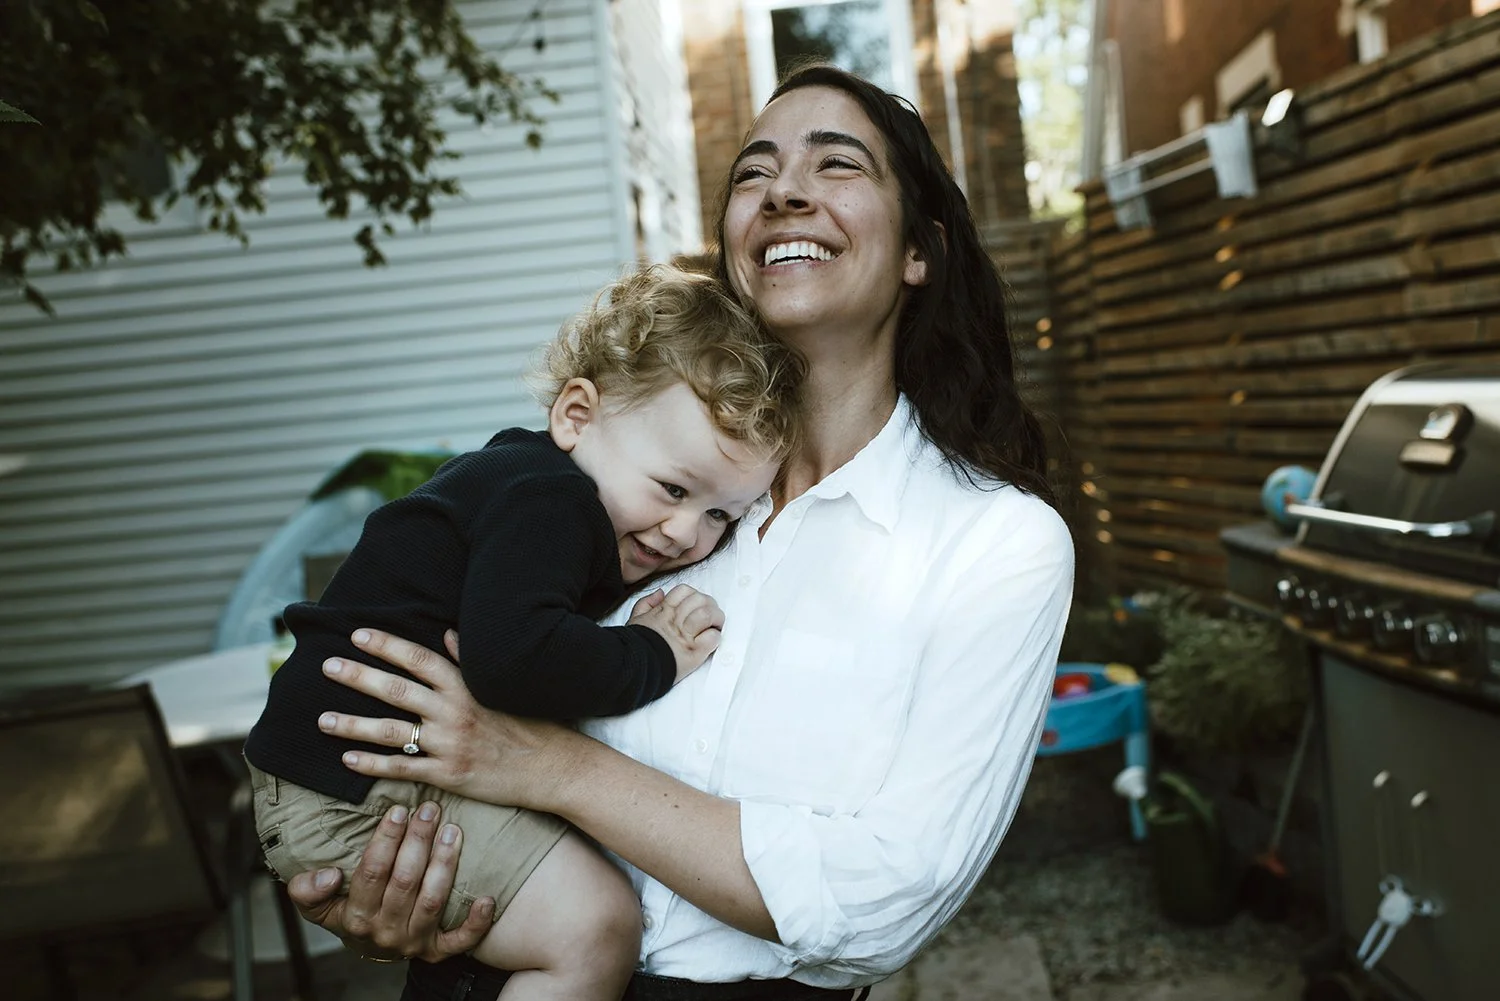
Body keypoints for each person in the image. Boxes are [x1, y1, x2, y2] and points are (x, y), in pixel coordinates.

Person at [287, 65, 1075, 1001]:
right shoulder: (619, 488)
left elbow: (884, 902)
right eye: (754, 173)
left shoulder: (993, 544)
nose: (784, 191)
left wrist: (543, 765)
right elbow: (457, 700)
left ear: (920, 251)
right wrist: (406, 887)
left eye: (838, 166)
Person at [243, 264, 803, 1000]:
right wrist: (654, 653)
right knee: (594, 929)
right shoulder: (552, 501)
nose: (684, 532)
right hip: (355, 784)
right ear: (576, 415)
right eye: (673, 488)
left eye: (721, 515)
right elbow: (513, 659)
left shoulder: (531, 481)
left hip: (336, 774)